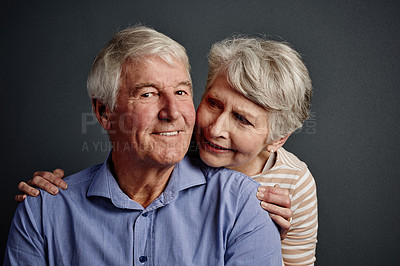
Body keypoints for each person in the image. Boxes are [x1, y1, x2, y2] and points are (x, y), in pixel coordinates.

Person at [16, 34, 318, 265]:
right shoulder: (172, 141)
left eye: (242, 119)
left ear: (277, 139)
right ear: (104, 112)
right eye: (212, 103)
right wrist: (47, 199)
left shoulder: (286, 188)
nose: (214, 129)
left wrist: (260, 234)